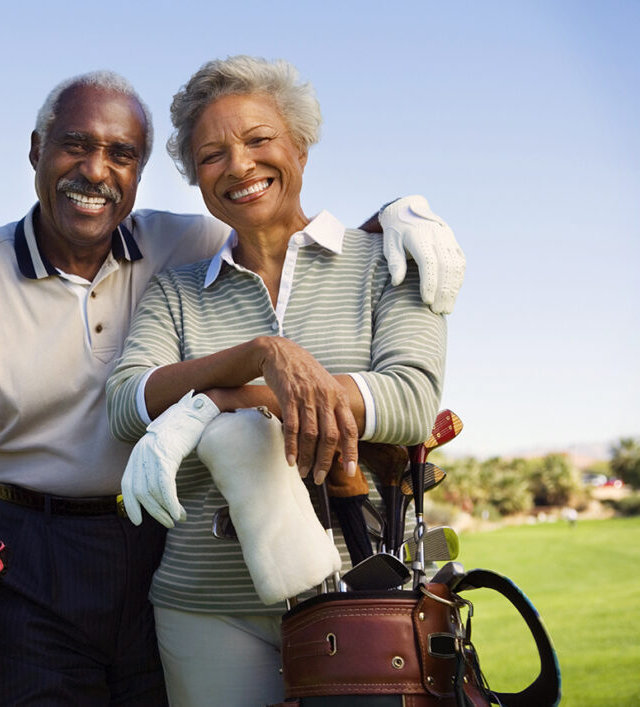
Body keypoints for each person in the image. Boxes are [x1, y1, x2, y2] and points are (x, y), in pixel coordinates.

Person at [0, 68, 463, 706]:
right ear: (36, 151)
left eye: (121, 154)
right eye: (75, 145)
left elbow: (291, 232)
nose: (96, 170)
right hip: (31, 545)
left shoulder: (184, 242)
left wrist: (401, 211)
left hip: (151, 535)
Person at [106, 55, 449, 706]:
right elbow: (126, 404)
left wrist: (213, 403)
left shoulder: (387, 261)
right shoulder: (176, 291)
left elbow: (409, 399)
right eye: (211, 155)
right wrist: (260, 355)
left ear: (300, 147)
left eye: (259, 139)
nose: (238, 165)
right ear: (197, 178)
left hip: (362, 595)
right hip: (205, 606)